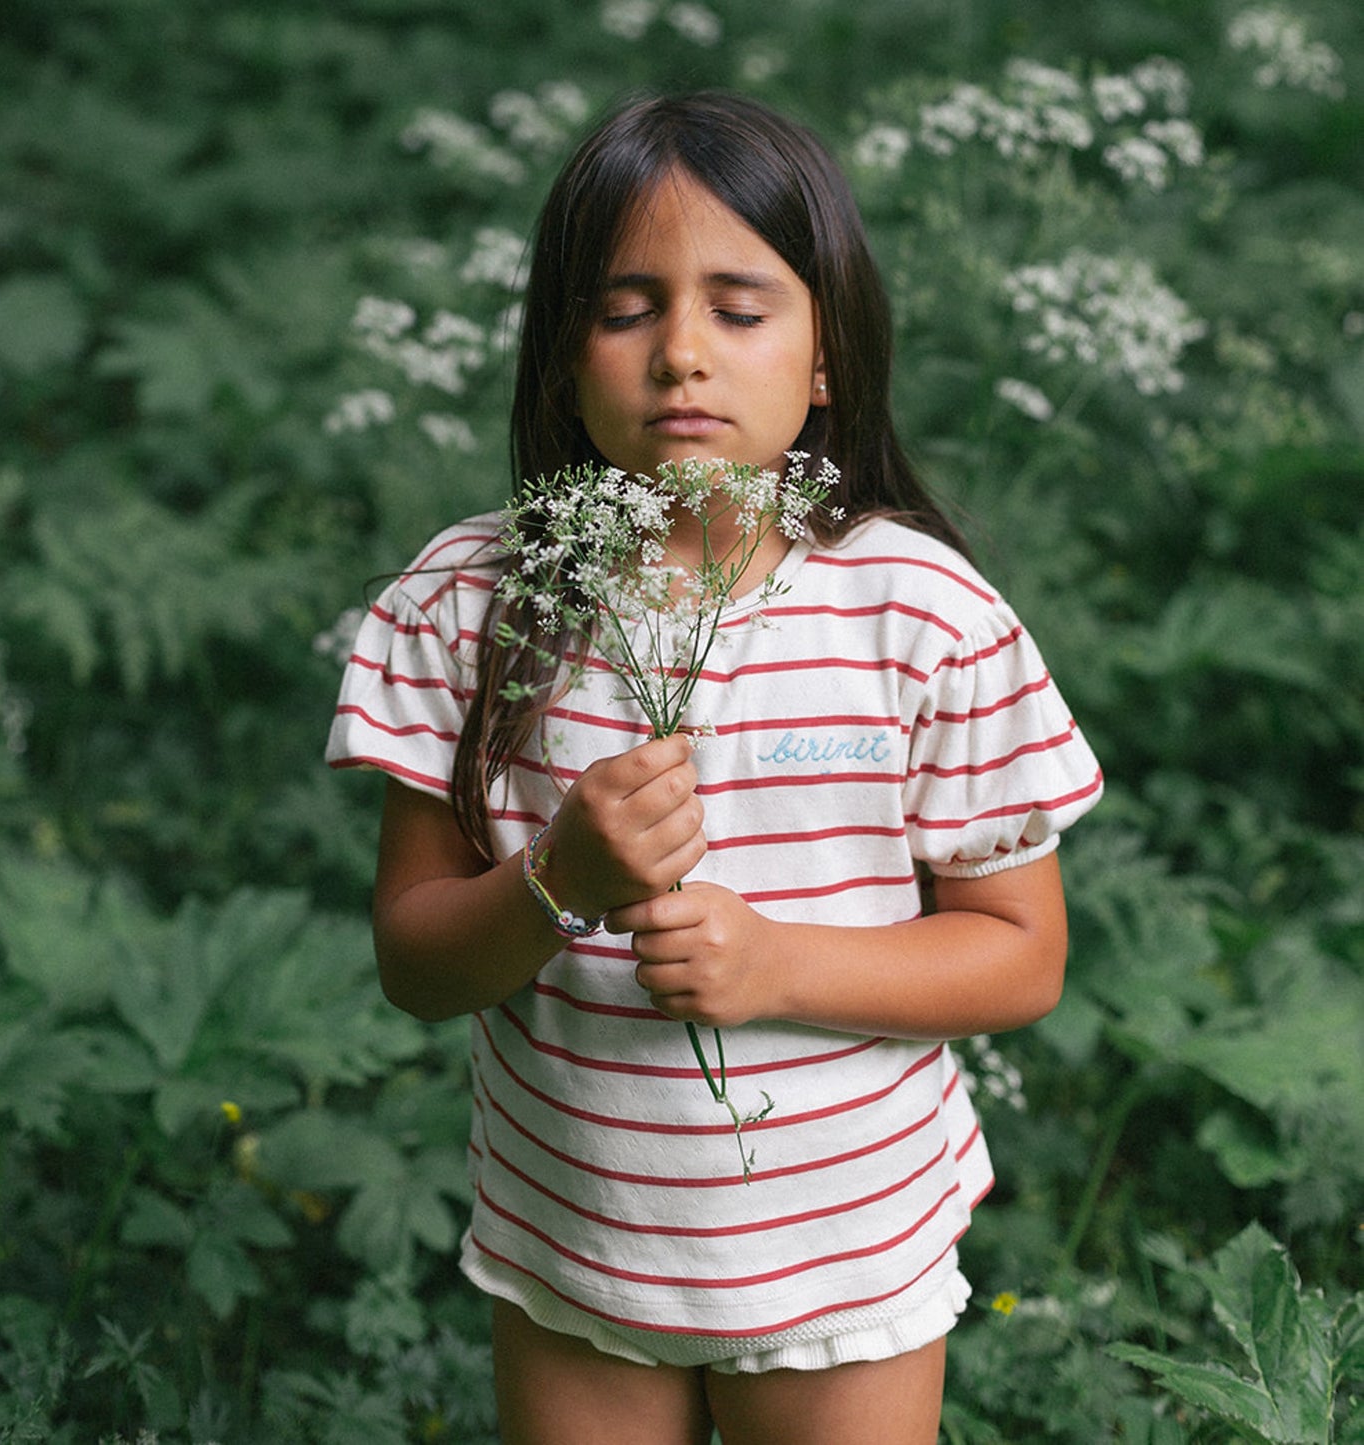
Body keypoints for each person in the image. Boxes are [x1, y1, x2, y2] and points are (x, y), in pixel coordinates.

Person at [327, 91, 1103, 1445]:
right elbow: (413, 961)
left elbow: (1019, 955)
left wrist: (774, 964)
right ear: (560, 350)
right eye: (625, 307)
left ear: (823, 358)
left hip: (845, 1257)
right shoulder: (472, 604)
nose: (681, 352)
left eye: (738, 309)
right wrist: (555, 880)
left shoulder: (918, 615)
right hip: (575, 1251)